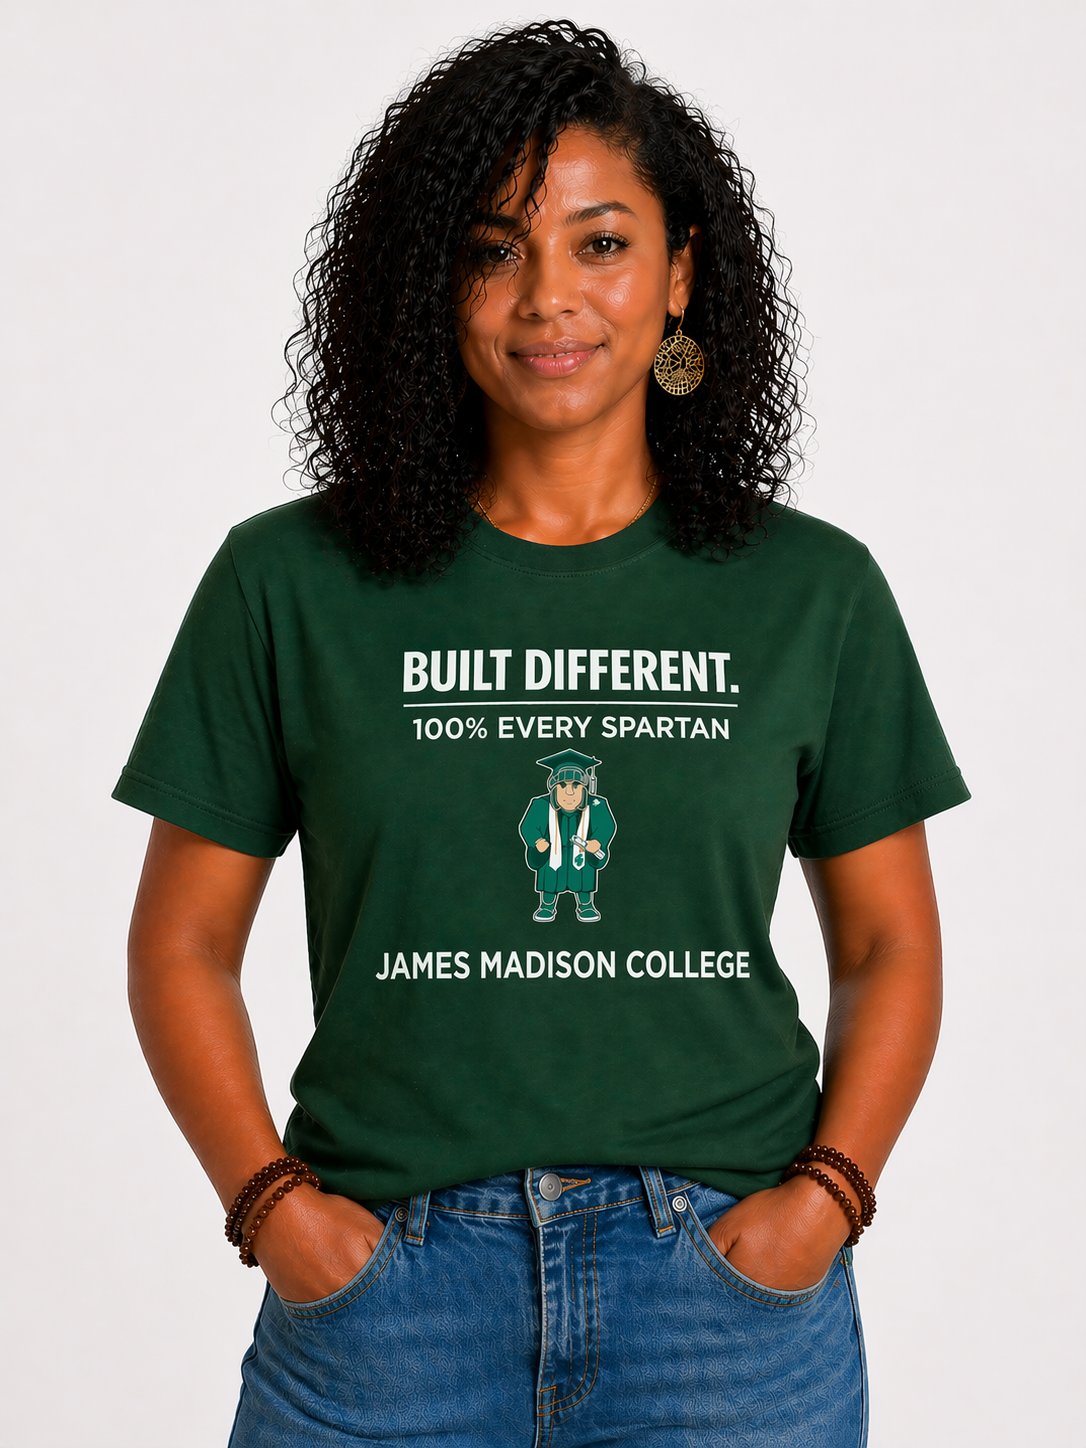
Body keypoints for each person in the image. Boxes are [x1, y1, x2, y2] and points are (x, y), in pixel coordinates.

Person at [115, 21, 969, 1447]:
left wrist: (822, 1204)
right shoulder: (289, 581)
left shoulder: (809, 592)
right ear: (429, 285)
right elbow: (178, 945)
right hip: (386, 1308)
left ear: (681, 271)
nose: (546, 300)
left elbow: (889, 946)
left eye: (599, 244)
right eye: (493, 248)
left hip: (721, 1311)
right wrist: (279, 1217)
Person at [519, 749, 616, 921]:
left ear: (585, 789)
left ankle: (585, 905)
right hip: (552, 852)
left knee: (583, 875)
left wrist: (598, 842)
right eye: (563, 786)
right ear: (553, 789)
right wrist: (537, 840)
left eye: (576, 786)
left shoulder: (596, 805)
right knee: (550, 875)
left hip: (582, 852)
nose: (570, 793)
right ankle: (547, 905)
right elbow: (528, 825)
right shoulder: (540, 804)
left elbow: (606, 825)